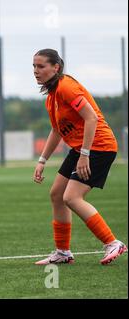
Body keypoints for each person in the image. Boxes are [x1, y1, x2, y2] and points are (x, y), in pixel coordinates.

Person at [32, 49, 127, 265]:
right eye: (34, 67)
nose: (36, 71)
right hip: (82, 148)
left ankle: (113, 242)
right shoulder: (52, 96)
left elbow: (91, 118)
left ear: (56, 67)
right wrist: (42, 161)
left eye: (41, 66)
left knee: (71, 197)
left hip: (99, 147)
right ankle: (63, 253)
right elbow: (57, 131)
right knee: (57, 194)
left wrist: (84, 154)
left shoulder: (66, 87)